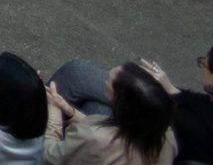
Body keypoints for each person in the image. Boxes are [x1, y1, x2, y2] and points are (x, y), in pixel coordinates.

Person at [46, 63, 177, 165]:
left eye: (108, 80)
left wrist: (53, 110)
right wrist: (71, 112)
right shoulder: (166, 135)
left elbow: (49, 157)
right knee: (93, 105)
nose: (104, 80)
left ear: (121, 103)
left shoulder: (95, 138)